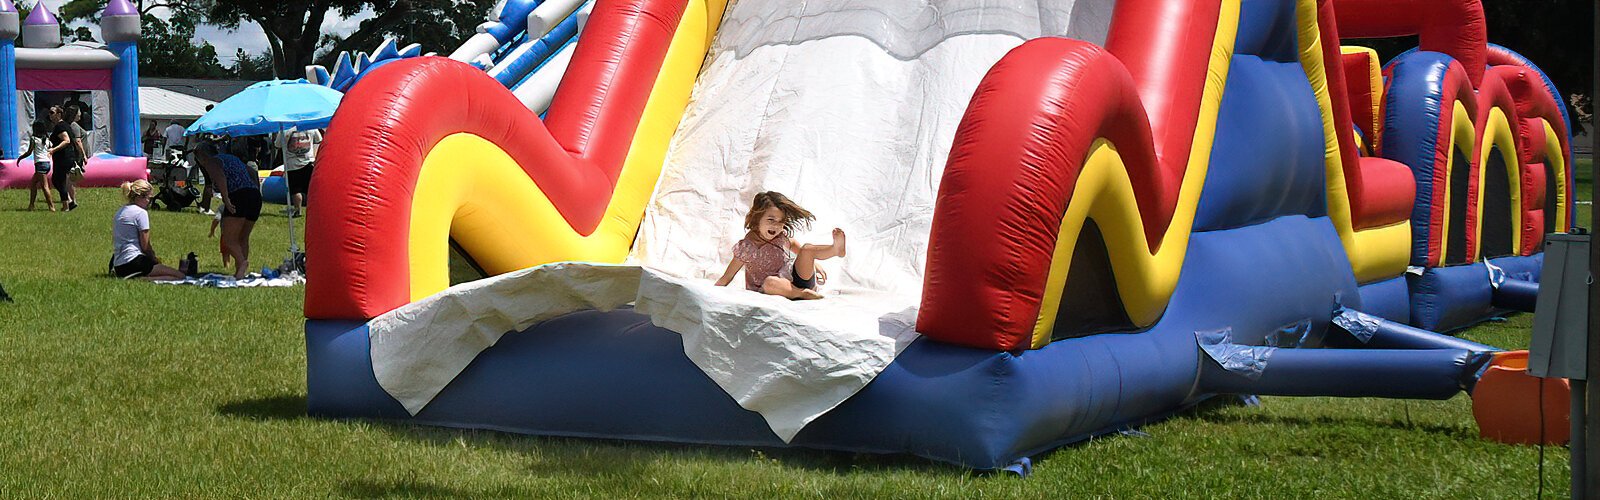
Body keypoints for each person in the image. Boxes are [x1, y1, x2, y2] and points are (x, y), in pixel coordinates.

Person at [713, 191, 847, 300]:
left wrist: (814, 264)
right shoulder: (747, 247)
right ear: (757, 218)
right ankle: (802, 294)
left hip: (796, 280)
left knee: (807, 249)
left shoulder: (780, 237)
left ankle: (835, 249)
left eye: (780, 221)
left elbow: (797, 247)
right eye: (771, 220)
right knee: (770, 281)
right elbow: (727, 277)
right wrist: (712, 294)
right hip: (772, 290)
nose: (776, 226)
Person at [193, 138, 261, 278]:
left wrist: (226, 200)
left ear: (201, 156)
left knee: (229, 240)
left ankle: (242, 263)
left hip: (238, 195)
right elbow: (250, 173)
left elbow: (221, 178)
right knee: (243, 238)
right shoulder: (230, 157)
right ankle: (240, 272)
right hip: (254, 195)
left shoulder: (211, 162)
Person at [109, 179, 186, 280]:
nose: (149, 202)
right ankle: (142, 279)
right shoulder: (140, 213)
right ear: (141, 196)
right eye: (149, 198)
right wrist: (154, 260)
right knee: (180, 276)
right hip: (134, 261)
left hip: (119, 265)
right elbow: (145, 246)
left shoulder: (120, 211)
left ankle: (138, 276)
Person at [276, 128, 322, 216]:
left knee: (295, 190)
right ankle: (316, 209)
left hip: (292, 165)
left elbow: (277, 144)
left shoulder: (284, 128)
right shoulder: (310, 126)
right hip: (308, 162)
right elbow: (319, 139)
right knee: (311, 189)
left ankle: (298, 209)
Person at [46, 106, 77, 211]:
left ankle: (66, 205)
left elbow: (67, 140)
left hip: (63, 157)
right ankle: (69, 201)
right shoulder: (64, 125)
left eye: (52, 112)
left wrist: (54, 149)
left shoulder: (60, 126)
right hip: (66, 157)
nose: (50, 115)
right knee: (59, 180)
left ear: (58, 114)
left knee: (58, 180)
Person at [24, 121, 55, 211]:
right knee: (33, 183)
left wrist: (21, 158)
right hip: (47, 164)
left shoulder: (34, 139)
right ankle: (31, 205)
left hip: (40, 165)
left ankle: (51, 207)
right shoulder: (47, 140)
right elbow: (50, 150)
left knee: (45, 186)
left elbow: (29, 152)